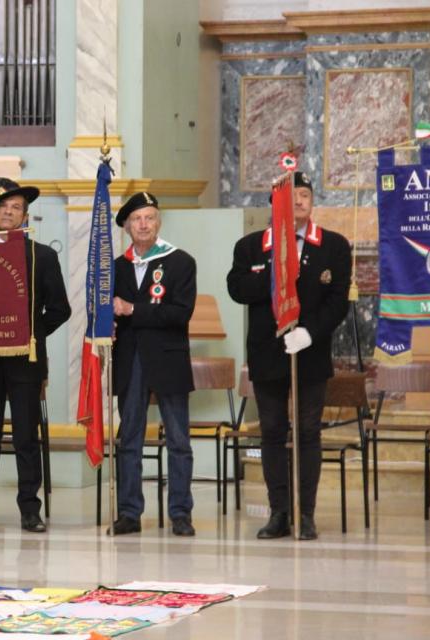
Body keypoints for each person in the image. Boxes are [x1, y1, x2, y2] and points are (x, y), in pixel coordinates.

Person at [227, 171, 351, 541]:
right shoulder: (251, 246)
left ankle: (305, 511)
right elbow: (236, 288)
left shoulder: (333, 245)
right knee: (272, 431)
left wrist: (309, 332)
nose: (298, 201)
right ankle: (279, 511)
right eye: (290, 195)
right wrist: (276, 275)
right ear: (274, 203)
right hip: (268, 351)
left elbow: (337, 301)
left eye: (304, 195)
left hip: (309, 350)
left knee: (308, 431)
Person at [0, 179, 71, 534]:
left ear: (26, 215)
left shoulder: (43, 256)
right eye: (2, 205)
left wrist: (30, 332)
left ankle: (29, 510)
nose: (9, 211)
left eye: (16, 207)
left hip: (25, 359)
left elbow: (60, 309)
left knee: (26, 436)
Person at [110, 192, 197, 537]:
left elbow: (180, 313)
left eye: (149, 218)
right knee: (129, 437)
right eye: (136, 219)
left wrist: (133, 310)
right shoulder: (117, 267)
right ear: (128, 226)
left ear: (158, 222)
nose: (143, 224)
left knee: (178, 439)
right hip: (130, 361)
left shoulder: (180, 262)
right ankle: (129, 512)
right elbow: (106, 311)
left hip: (168, 361)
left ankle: (180, 513)